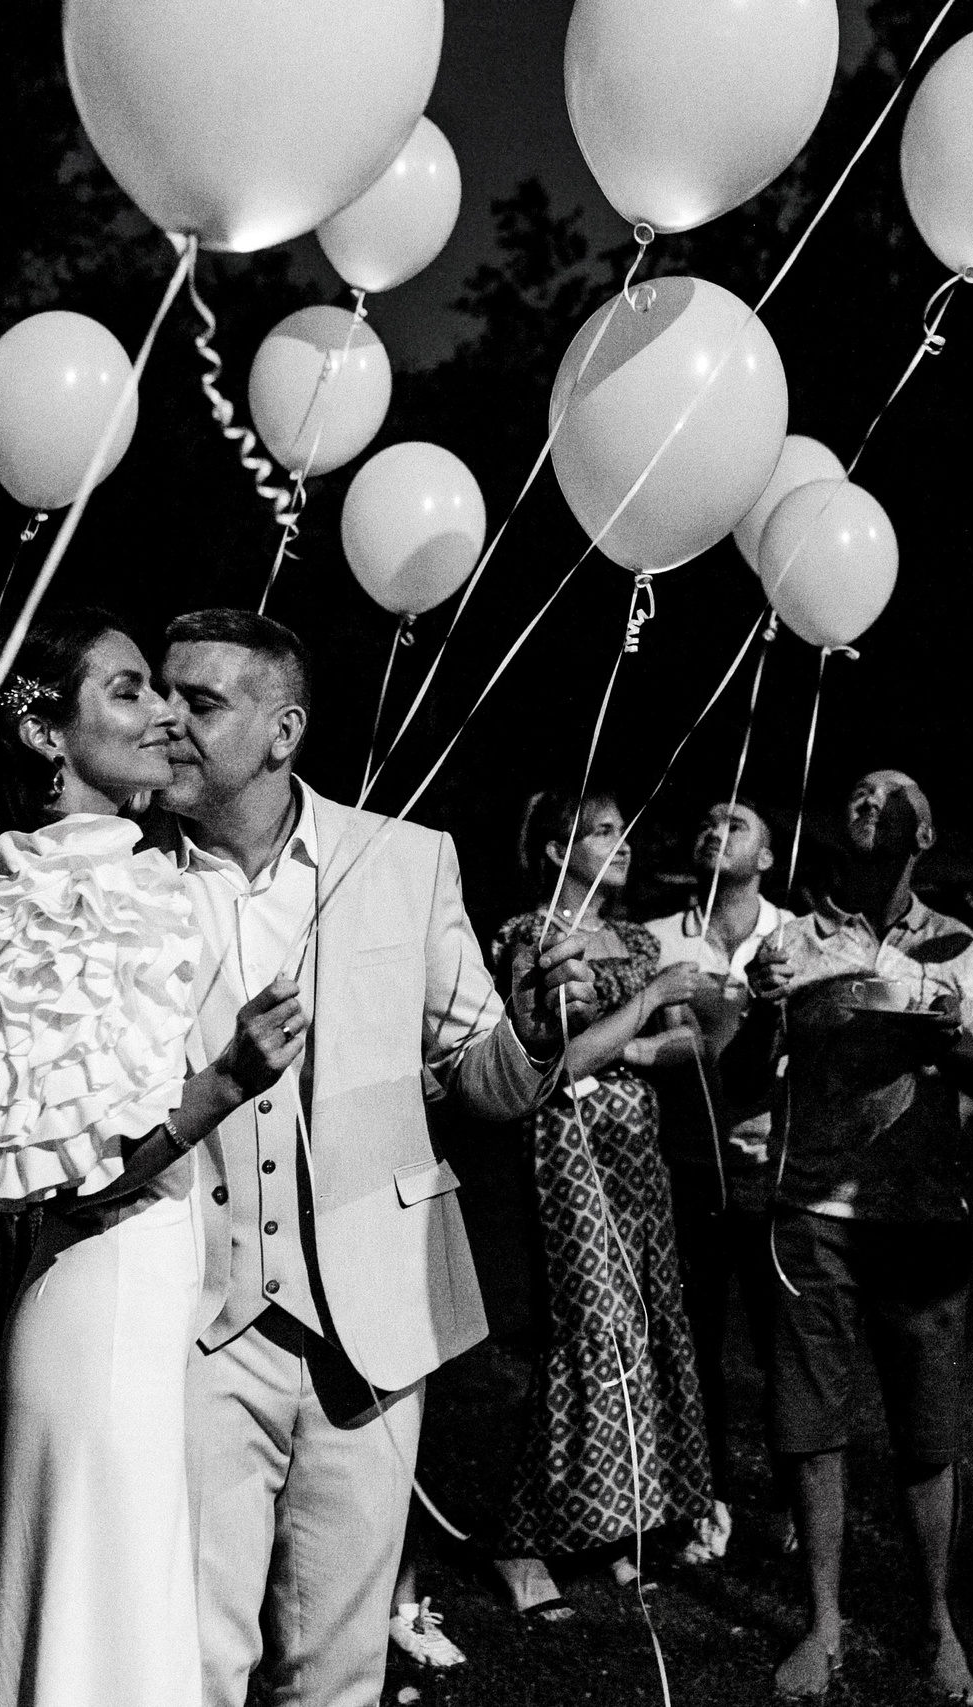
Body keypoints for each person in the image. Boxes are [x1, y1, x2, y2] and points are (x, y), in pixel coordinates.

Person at [154, 609, 593, 1707]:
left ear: (282, 729)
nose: (165, 719)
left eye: (198, 702)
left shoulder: (404, 861)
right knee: (194, 1655)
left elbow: (485, 1081)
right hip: (197, 1317)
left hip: (375, 1319)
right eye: (159, 693)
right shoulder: (125, 879)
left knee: (340, 1662)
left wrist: (535, 1032)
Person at [0, 608, 308, 1707]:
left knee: (133, 1609)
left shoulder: (130, 869)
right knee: (102, 1627)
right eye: (127, 692)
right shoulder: (47, 890)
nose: (162, 716)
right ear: (45, 734)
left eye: (160, 689)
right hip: (98, 1296)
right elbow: (73, 1170)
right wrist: (224, 1086)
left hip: (149, 1301)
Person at [732, 769, 973, 1701]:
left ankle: (938, 1624)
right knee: (810, 1419)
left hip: (923, 1213)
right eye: (859, 790)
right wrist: (763, 1007)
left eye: (892, 794)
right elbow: (742, 1074)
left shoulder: (958, 946)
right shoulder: (793, 941)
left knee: (927, 1432)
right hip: (814, 1211)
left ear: (923, 836)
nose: (869, 798)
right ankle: (824, 1621)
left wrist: (952, 1036)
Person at [486, 789, 715, 1617]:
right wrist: (646, 1007)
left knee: (646, 1324)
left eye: (623, 832)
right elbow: (553, 1062)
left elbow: (688, 1040)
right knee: (592, 1327)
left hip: (637, 1152)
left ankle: (619, 1526)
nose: (622, 845)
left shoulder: (639, 938)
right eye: (603, 832)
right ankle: (520, 1537)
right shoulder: (534, 939)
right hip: (570, 1149)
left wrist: (649, 1038)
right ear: (557, 851)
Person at [641, 798, 796, 1567]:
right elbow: (634, 1033)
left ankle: (798, 1494)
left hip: (773, 1169)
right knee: (694, 1340)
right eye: (706, 821)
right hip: (686, 1166)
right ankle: (707, 1495)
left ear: (767, 857)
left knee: (782, 1346)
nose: (715, 829)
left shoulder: (793, 937)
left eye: (737, 823)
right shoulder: (661, 937)